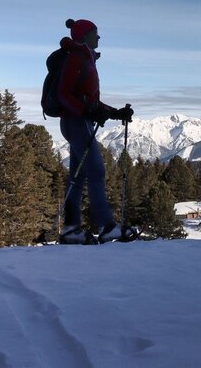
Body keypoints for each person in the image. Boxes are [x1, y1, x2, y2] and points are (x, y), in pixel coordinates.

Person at [57, 18, 134, 244]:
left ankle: (71, 229)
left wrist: (115, 113)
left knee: (78, 176)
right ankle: (106, 226)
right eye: (95, 33)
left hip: (78, 122)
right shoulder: (76, 59)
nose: (99, 37)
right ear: (84, 36)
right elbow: (64, 95)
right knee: (97, 171)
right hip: (76, 123)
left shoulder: (87, 59)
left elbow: (90, 102)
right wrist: (85, 113)